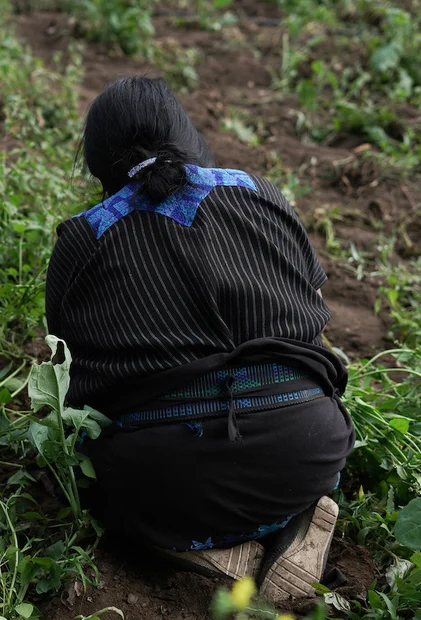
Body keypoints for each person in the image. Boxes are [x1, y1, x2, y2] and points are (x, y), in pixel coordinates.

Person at [45, 76, 356, 601]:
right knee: (295, 420)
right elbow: (312, 315)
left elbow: (69, 366)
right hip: (305, 446)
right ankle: (293, 520)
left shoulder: (83, 236)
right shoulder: (260, 193)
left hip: (161, 476)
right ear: (183, 133)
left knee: (82, 472)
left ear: (98, 161)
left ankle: (200, 547)